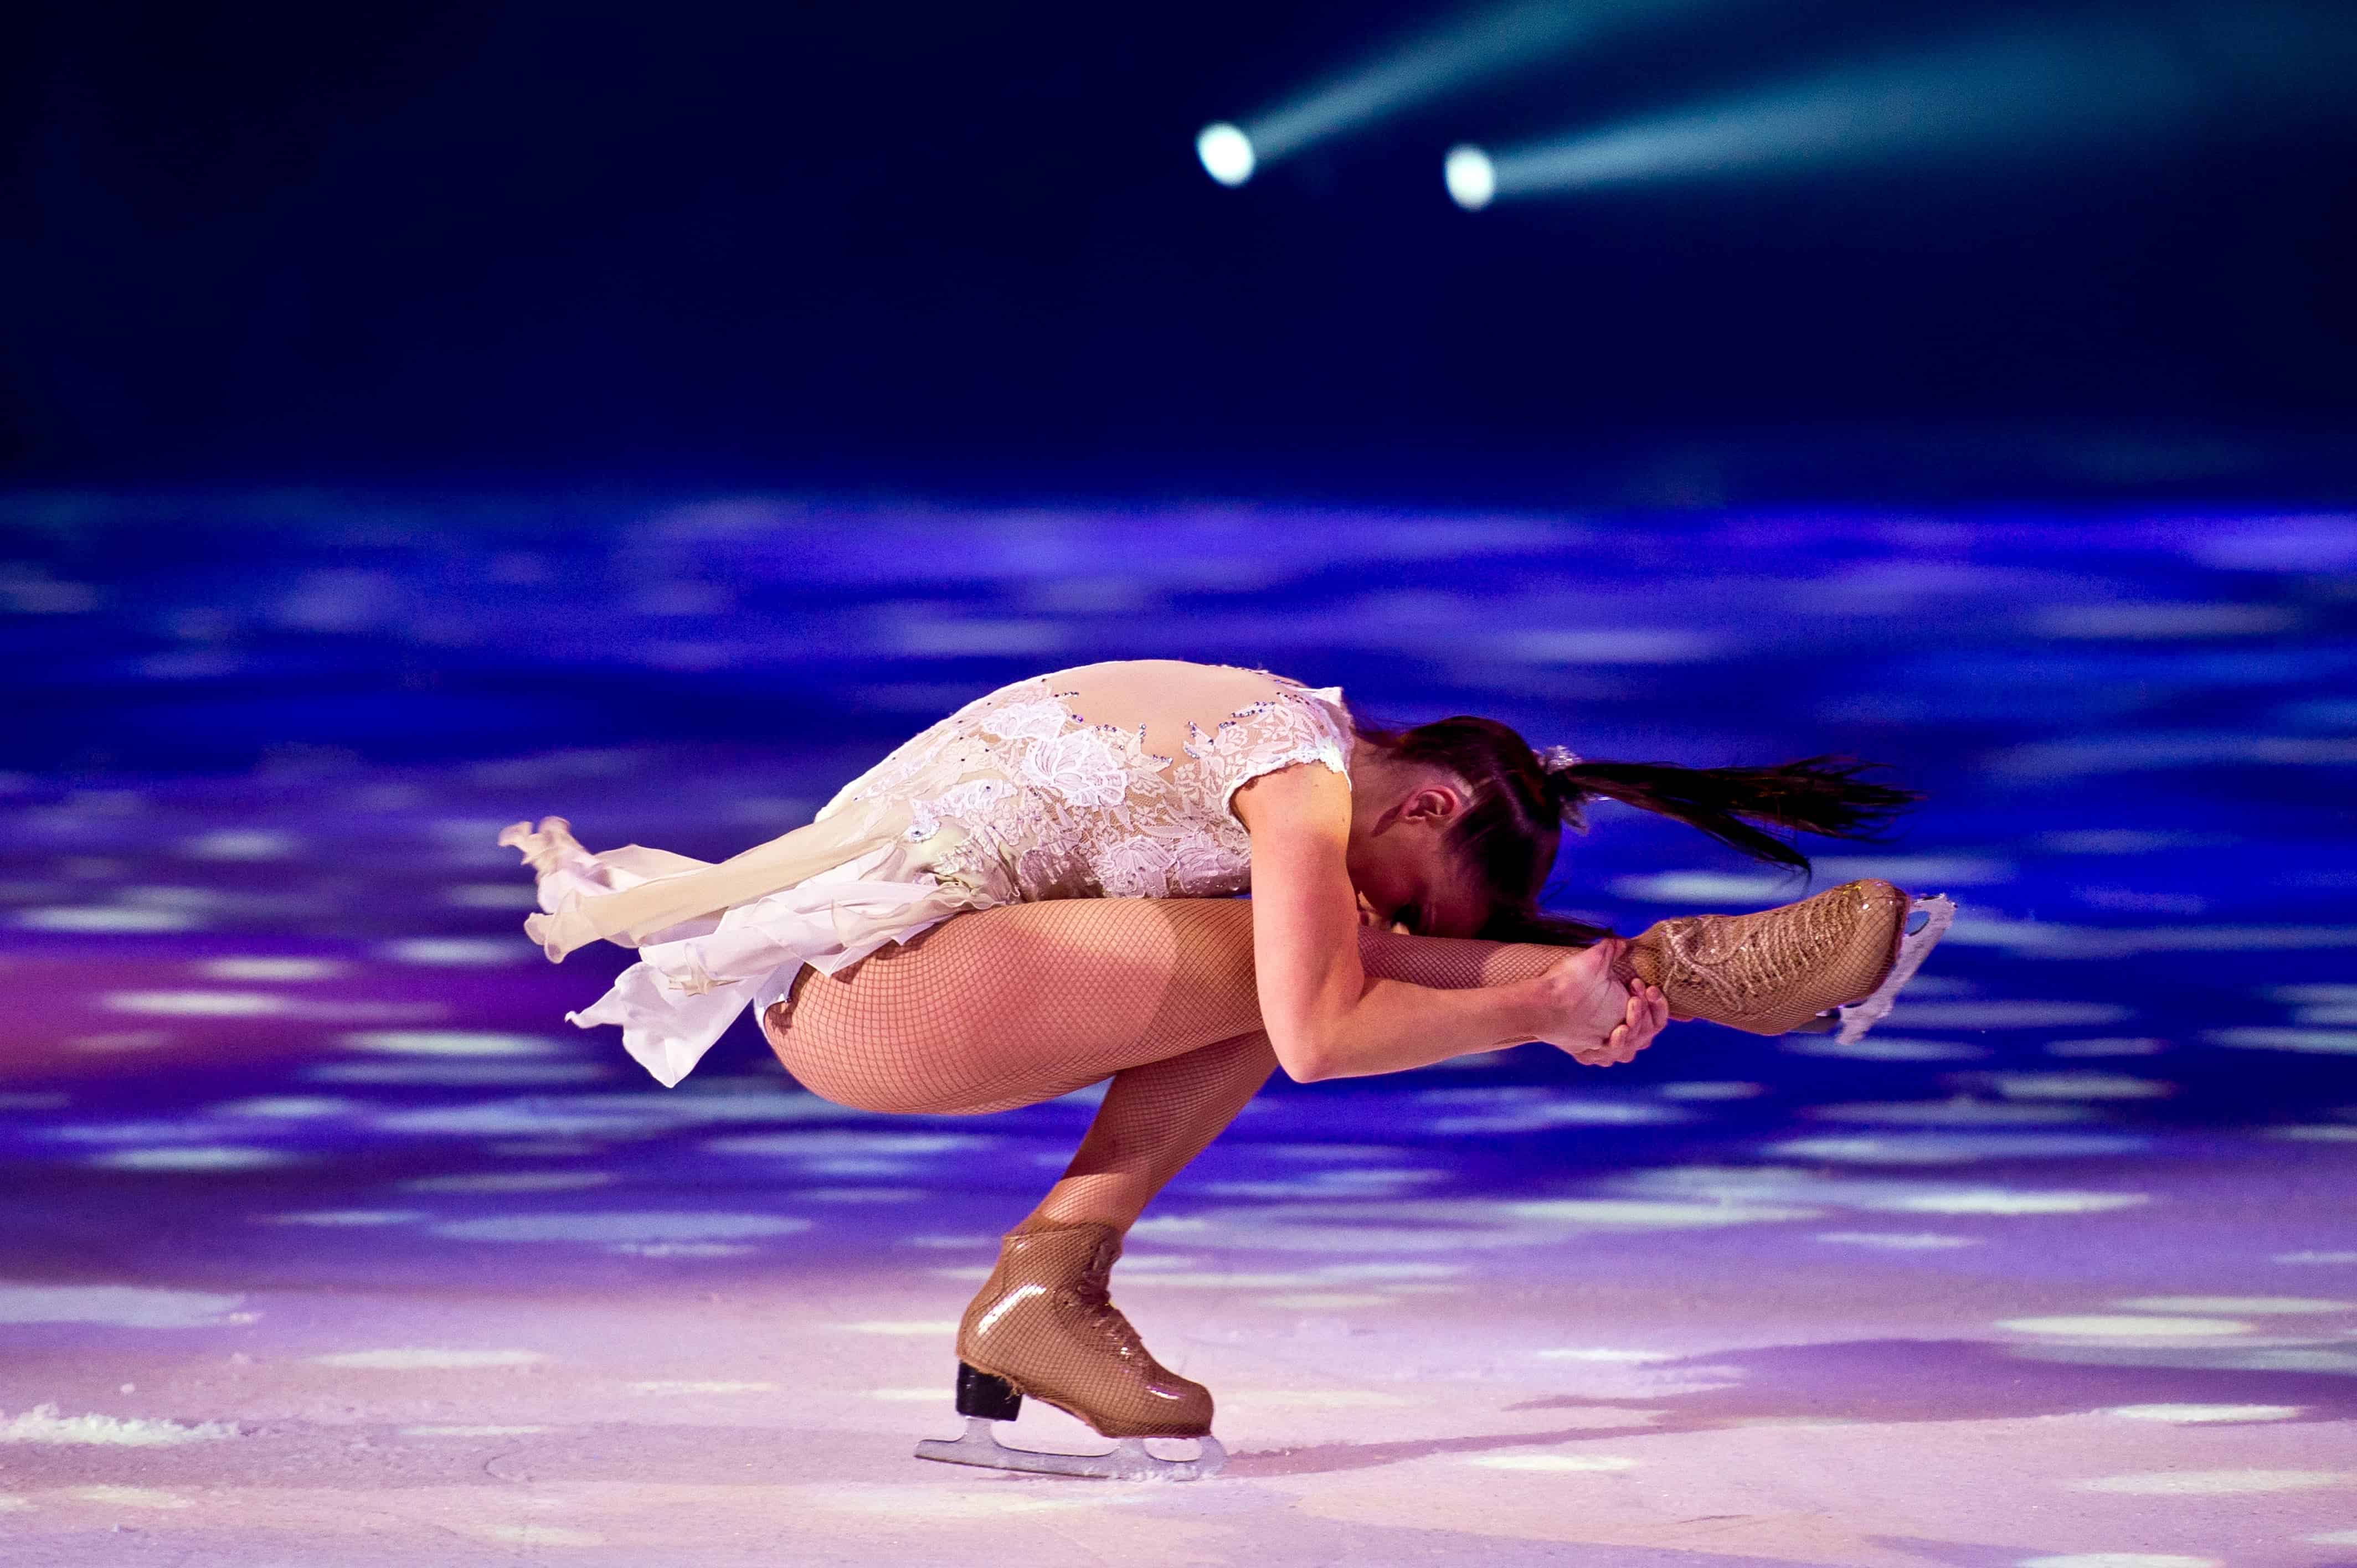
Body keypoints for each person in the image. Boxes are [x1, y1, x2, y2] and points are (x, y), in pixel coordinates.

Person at [500, 658, 1949, 1479]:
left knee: (1297, 958)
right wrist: (1535, 1010)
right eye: (1418, 898)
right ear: (1431, 804)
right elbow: (1317, 1037)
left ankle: (1042, 1295)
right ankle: (1687, 973)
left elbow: (1307, 998)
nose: (1397, 922)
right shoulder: (1296, 771)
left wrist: (1534, 998)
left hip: (905, 992)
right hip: (868, 996)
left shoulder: (1292, 753)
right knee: (1304, 967)